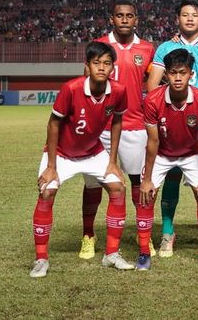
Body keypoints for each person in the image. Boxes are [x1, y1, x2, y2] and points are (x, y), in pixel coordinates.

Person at [30, 42, 132, 278]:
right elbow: (53, 124)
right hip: (61, 154)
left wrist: (113, 162)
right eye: (96, 63)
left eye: (106, 63)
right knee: (47, 191)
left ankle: (111, 254)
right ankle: (41, 259)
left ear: (112, 68)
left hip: (93, 152)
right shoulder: (71, 88)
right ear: (87, 66)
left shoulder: (118, 91)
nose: (101, 68)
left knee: (118, 188)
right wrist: (52, 166)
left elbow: (117, 121)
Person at [147, 0, 198, 258]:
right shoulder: (166, 48)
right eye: (185, 14)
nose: (190, 18)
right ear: (177, 19)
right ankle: (168, 233)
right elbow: (152, 86)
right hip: (170, 121)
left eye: (195, 15)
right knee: (170, 174)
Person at [79, 0, 156, 260]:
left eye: (129, 15)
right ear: (112, 18)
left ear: (136, 19)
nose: (124, 19)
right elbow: (84, 83)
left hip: (134, 125)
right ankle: (89, 235)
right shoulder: (100, 45)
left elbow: (152, 83)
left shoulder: (147, 49)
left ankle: (143, 235)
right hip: (100, 127)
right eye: (119, 15)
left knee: (139, 182)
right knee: (93, 183)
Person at [136, 49, 198, 270]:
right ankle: (143, 253)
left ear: (191, 74)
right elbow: (152, 142)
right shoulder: (152, 100)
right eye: (173, 73)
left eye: (183, 73)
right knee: (146, 195)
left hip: (191, 154)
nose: (178, 78)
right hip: (161, 153)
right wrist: (147, 179)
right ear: (166, 75)